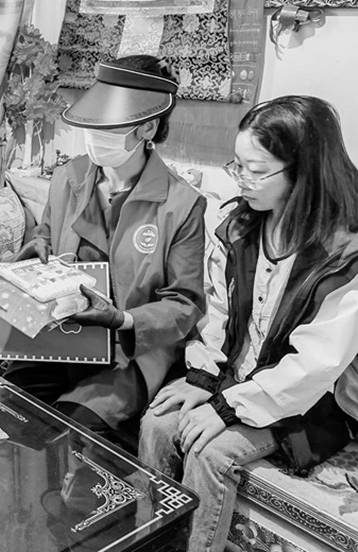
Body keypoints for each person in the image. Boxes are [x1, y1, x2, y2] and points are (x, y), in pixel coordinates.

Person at [139, 95, 358, 552]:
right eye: (236, 165)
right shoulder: (240, 224)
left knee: (209, 451)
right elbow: (217, 310)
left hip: (301, 402)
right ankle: (150, 540)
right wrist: (202, 378)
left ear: (305, 172)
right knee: (158, 421)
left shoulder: (344, 257)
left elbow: (314, 366)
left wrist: (225, 408)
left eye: (255, 170)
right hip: (235, 380)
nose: (240, 179)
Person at [4, 55, 207, 435]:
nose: (95, 137)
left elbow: (186, 303)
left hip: (132, 351)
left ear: (148, 127)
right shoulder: (68, 176)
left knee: (74, 428)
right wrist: (38, 248)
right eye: (92, 126)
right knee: (6, 404)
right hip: (64, 335)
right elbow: (47, 232)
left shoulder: (181, 205)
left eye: (109, 129)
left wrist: (123, 320)